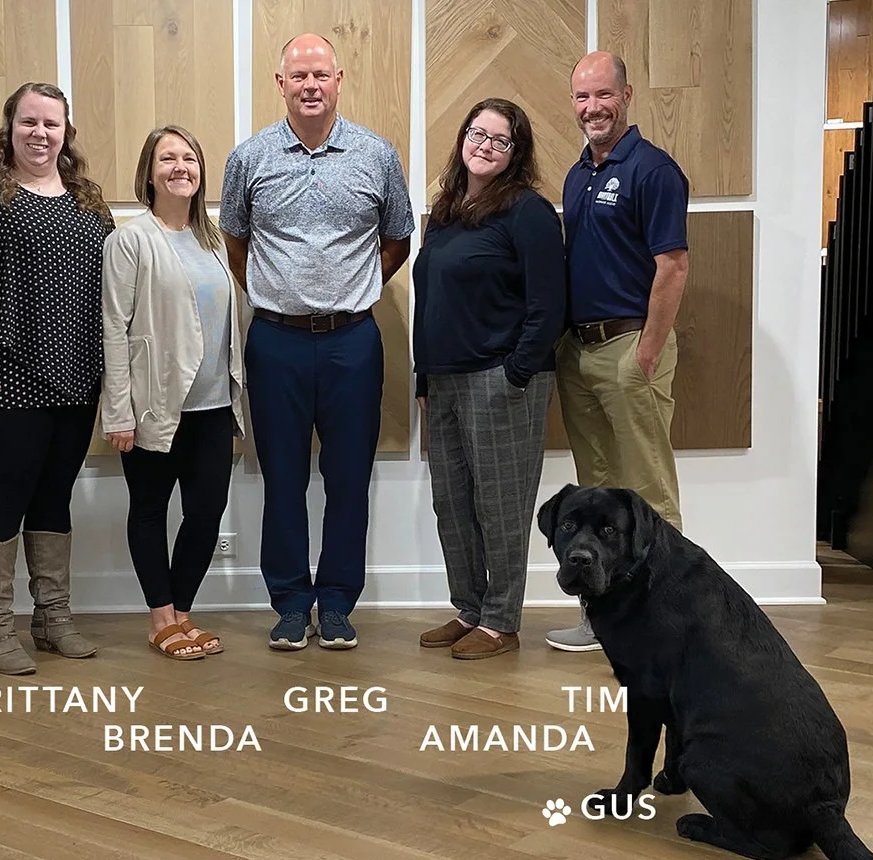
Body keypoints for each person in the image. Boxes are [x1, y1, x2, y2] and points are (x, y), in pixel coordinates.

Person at [219, 32, 414, 652]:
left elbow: (397, 241)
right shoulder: (248, 158)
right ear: (280, 84)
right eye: (298, 76)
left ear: (339, 80)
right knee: (281, 477)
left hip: (353, 341)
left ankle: (335, 603)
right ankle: (289, 601)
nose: (310, 86)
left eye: (321, 75)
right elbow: (237, 245)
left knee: (349, 477)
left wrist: (350, 289)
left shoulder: (376, 155)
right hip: (275, 341)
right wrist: (285, 297)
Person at [0, 82, 114, 674]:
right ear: (9, 128)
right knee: (3, 497)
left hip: (77, 377)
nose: (39, 133)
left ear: (66, 133)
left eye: (51, 123)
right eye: (28, 122)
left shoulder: (88, 201)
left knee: (54, 498)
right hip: (3, 377)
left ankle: (52, 619)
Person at [412, 98, 567, 660]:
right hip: (446, 381)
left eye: (500, 140)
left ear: (515, 152)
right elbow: (427, 296)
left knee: (501, 505)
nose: (484, 145)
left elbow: (549, 304)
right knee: (452, 503)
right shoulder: (446, 211)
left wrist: (517, 373)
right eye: (477, 133)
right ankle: (470, 609)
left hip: (501, 380)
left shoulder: (528, 212)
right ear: (462, 139)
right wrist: (423, 378)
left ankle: (502, 620)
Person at [546, 51, 691, 653]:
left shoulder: (654, 171)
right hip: (580, 353)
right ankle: (602, 618)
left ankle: (669, 624)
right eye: (582, 98)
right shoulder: (577, 175)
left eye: (603, 95)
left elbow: (673, 265)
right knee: (596, 498)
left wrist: (649, 351)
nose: (592, 108)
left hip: (632, 346)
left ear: (627, 96)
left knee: (648, 494)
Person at [101, 125, 245, 661]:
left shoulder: (213, 243)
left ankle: (183, 612)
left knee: (206, 512)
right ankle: (159, 617)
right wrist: (119, 411)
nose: (180, 167)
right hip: (154, 408)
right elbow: (113, 327)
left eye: (189, 157)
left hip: (213, 406)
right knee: (149, 509)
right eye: (168, 158)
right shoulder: (130, 239)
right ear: (150, 171)